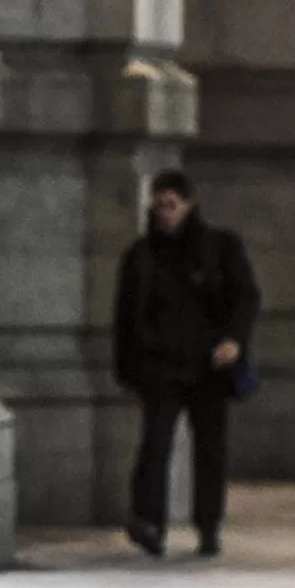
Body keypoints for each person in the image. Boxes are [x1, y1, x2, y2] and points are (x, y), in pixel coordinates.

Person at [113, 171, 261, 559]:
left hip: (209, 366)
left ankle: (208, 525)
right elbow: (125, 319)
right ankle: (149, 521)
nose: (164, 214)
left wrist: (233, 340)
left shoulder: (219, 248)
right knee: (155, 445)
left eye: (171, 205)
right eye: (158, 205)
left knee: (210, 449)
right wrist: (126, 371)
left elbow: (245, 298)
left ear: (188, 204)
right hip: (160, 367)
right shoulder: (142, 255)